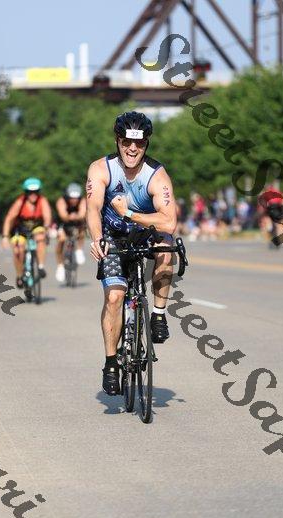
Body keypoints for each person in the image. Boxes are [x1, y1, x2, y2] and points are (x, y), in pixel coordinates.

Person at [86, 111, 177, 396]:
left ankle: (158, 314)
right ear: (117, 141)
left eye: (139, 143)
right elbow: (93, 209)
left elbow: (169, 222)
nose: (132, 149)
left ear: (146, 144)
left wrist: (129, 213)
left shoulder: (157, 175)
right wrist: (97, 238)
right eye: (126, 142)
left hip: (144, 233)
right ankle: (111, 363)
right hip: (112, 236)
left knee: (166, 246)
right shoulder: (101, 169)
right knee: (114, 296)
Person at [1, 178, 52, 287]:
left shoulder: (42, 201)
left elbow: (47, 217)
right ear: (26, 192)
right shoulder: (20, 202)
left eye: (36, 192)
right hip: (20, 230)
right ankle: (19, 275)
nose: (33, 195)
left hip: (37, 228)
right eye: (30, 192)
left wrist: (47, 228)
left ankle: (41, 267)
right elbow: (9, 218)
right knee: (18, 249)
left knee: (41, 237)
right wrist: (5, 236)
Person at [55, 182, 87, 282]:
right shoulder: (61, 201)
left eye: (76, 198)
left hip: (77, 222)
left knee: (82, 231)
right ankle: (60, 266)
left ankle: (79, 250)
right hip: (63, 223)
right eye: (71, 198)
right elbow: (63, 215)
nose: (74, 200)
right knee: (61, 240)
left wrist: (77, 217)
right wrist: (69, 217)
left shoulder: (82, 201)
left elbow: (82, 214)